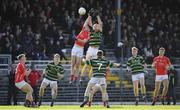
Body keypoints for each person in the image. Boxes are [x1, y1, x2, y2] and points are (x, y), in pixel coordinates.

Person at [80, 11, 103, 82]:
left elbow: (100, 24)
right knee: (87, 63)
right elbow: (87, 24)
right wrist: (89, 16)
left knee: (94, 67)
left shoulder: (100, 32)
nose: (95, 26)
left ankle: (91, 79)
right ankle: (81, 78)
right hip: (91, 49)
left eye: (97, 25)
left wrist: (98, 16)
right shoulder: (91, 32)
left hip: (96, 50)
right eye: (94, 25)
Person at [70, 15, 92, 84]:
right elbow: (86, 22)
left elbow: (84, 42)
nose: (85, 27)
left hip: (80, 49)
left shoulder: (89, 34)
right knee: (73, 64)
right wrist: (89, 16)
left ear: (89, 29)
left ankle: (75, 79)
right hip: (75, 47)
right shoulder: (83, 29)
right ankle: (71, 78)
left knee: (77, 65)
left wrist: (77, 39)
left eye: (87, 27)